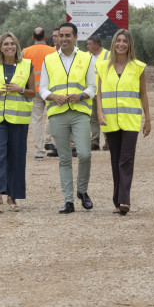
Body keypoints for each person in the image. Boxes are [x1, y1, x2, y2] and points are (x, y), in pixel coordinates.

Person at [41, 22, 97, 214]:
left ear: (75, 37)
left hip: (80, 112)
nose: (64, 39)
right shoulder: (48, 60)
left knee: (84, 154)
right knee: (64, 158)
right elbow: (42, 88)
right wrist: (53, 96)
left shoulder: (88, 58)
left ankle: (82, 190)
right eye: (61, 35)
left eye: (68, 35)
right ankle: (68, 200)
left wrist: (81, 95)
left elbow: (93, 87)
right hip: (57, 114)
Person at [96, 29, 151, 215]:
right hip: (110, 121)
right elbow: (99, 93)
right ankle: (117, 200)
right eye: (118, 40)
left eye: (125, 41)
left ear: (130, 45)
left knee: (126, 159)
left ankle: (124, 201)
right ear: (113, 44)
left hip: (131, 120)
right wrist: (99, 112)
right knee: (115, 160)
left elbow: (143, 94)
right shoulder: (103, 66)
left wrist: (148, 119)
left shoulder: (138, 67)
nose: (121, 44)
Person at [0, 32, 35, 213]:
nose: (9, 47)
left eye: (12, 44)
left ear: (17, 46)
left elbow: (32, 92)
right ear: (0, 48)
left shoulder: (27, 65)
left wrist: (20, 89)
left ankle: (12, 195)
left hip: (19, 118)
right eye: (5, 44)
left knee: (16, 156)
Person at [21, 27, 56, 160]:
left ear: (33, 38)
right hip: (49, 89)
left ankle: (39, 152)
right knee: (52, 116)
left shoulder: (25, 52)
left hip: (33, 90)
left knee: (36, 120)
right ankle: (50, 142)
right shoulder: (53, 51)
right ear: (45, 37)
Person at [86, 35, 111, 151]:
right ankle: (94, 142)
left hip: (105, 91)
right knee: (93, 118)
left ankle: (108, 141)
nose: (87, 47)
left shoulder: (109, 55)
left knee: (106, 116)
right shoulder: (87, 56)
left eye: (89, 44)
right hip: (91, 92)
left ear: (96, 45)